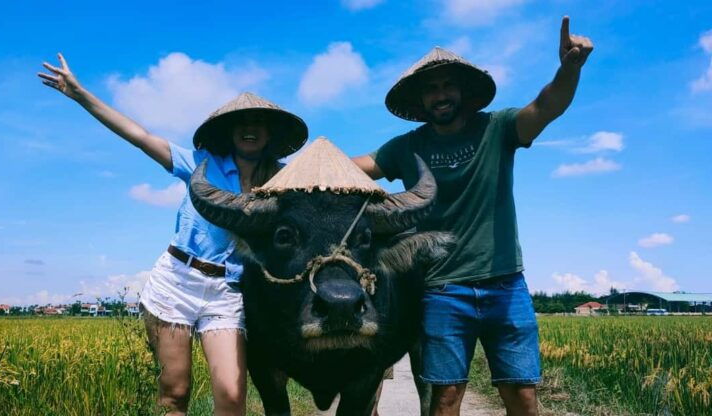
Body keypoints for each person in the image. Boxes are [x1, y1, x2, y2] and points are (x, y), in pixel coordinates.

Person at [38, 54, 308, 416]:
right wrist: (81, 94)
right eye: (242, 122)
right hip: (177, 282)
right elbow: (140, 136)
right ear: (229, 131)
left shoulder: (284, 181)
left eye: (258, 122)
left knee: (231, 396)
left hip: (228, 294)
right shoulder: (201, 164)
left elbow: (327, 191)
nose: (250, 128)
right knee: (175, 394)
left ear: (270, 133)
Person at [352, 17, 593, 416]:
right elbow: (359, 167)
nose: (440, 95)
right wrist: (305, 165)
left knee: (522, 395)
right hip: (443, 291)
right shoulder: (406, 147)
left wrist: (569, 69)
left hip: (505, 285)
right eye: (431, 89)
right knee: (444, 399)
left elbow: (546, 106)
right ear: (421, 100)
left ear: (462, 92)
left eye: (448, 85)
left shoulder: (497, 128)